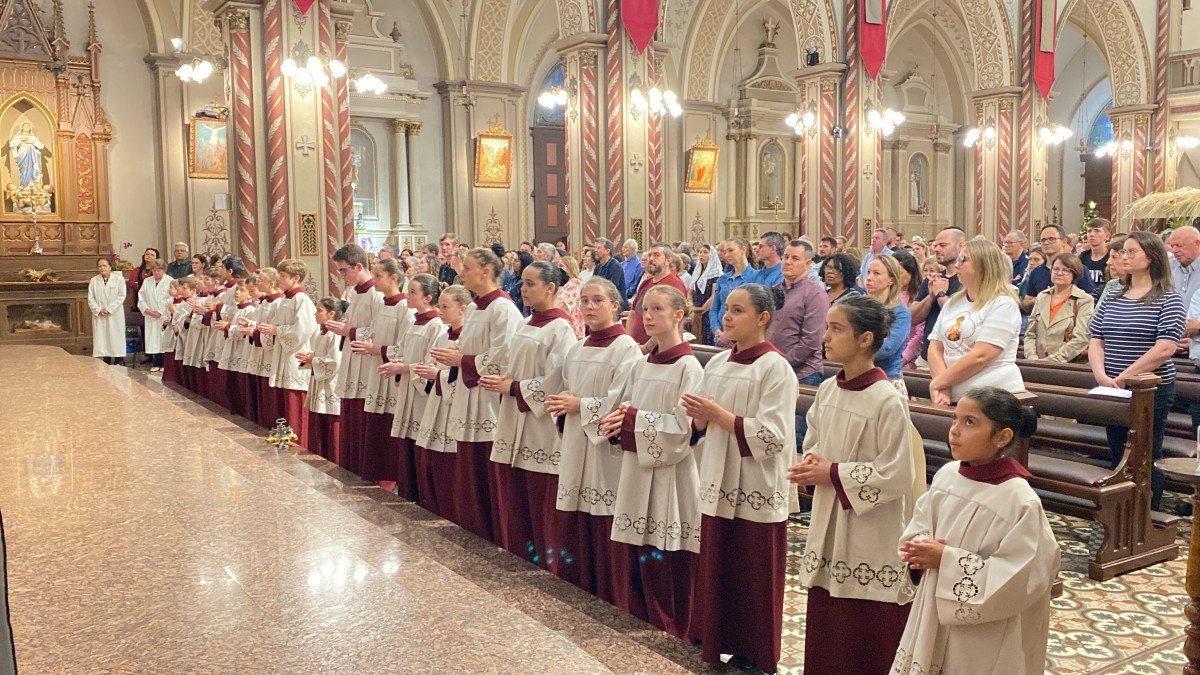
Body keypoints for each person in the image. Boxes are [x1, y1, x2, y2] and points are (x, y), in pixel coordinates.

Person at [789, 293, 916, 674]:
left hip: (870, 532)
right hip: (829, 519)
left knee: (863, 630)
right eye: (827, 327)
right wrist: (810, 464)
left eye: (836, 328)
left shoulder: (886, 400)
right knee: (829, 621)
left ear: (865, 339)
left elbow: (898, 474)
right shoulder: (828, 390)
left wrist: (831, 472)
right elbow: (813, 442)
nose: (825, 337)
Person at [894, 387, 1060, 675]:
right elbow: (920, 524)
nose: (955, 431)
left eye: (970, 422)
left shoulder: (1018, 500)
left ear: (1002, 437)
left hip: (983, 635)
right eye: (955, 419)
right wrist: (918, 549)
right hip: (933, 609)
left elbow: (1024, 576)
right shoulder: (948, 475)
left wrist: (946, 560)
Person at [683, 284, 797, 675]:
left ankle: (755, 653)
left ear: (763, 318)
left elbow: (774, 436)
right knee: (719, 563)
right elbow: (698, 424)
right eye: (726, 309)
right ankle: (714, 638)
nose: (727, 317)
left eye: (737, 310)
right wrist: (698, 419)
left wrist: (718, 417)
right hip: (717, 477)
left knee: (752, 571)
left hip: (755, 484)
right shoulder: (716, 363)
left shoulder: (775, 367)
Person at [600, 284, 703, 637]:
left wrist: (631, 420)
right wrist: (617, 421)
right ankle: (638, 617)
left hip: (671, 476)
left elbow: (684, 430)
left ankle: (672, 627)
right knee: (637, 552)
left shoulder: (689, 367)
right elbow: (626, 406)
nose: (648, 315)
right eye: (645, 309)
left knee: (666, 554)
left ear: (679, 314)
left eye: (657, 309)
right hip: (636, 468)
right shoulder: (642, 363)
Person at [550, 277, 642, 609]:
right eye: (584, 301)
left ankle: (610, 595)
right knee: (577, 517)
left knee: (604, 516)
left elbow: (623, 403)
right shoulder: (577, 348)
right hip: (576, 443)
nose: (589, 307)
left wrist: (581, 406)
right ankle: (578, 588)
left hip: (605, 451)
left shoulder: (626, 349)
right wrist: (563, 405)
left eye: (597, 300)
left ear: (615, 306)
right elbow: (563, 390)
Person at [483, 261, 577, 570]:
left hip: (540, 426)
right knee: (517, 493)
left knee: (540, 497)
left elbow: (556, 379)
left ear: (550, 288)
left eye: (530, 284)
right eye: (522, 283)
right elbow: (514, 363)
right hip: (515, 417)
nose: (523, 289)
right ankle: (520, 556)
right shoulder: (526, 323)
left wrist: (514, 387)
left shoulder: (561, 328)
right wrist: (505, 381)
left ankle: (546, 561)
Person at [1088, 231, 1185, 510]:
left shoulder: (1168, 298)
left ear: (1152, 257)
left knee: (1145, 452)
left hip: (1149, 388)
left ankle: (1146, 513)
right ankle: (1120, 510)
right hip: (1112, 386)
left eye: (1132, 252)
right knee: (1118, 450)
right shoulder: (1114, 295)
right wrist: (1101, 375)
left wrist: (1125, 376)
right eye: (1122, 252)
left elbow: (1164, 348)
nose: (1123, 257)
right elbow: (1096, 337)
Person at [437, 248, 524, 542]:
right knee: (469, 472)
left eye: (468, 268)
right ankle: (472, 530)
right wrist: (456, 354)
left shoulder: (504, 309)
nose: (462, 274)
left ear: (487, 271)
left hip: (489, 399)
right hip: (468, 394)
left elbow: (504, 356)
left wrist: (461, 360)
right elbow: (466, 345)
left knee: (486, 471)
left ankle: (493, 534)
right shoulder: (474, 308)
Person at [929, 240, 1024, 405]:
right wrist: (943, 388)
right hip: (953, 396)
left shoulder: (1003, 303)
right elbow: (935, 347)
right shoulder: (952, 303)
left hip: (993, 399)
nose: (956, 265)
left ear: (983, 265)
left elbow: (981, 356)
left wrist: (939, 382)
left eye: (963, 260)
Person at [381, 273, 445, 502]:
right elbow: (400, 349)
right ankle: (408, 493)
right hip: (408, 390)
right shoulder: (414, 321)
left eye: (413, 292)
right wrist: (398, 363)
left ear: (428, 298)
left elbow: (432, 363)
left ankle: (424, 497)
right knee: (406, 441)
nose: (408, 295)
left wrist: (406, 368)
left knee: (419, 441)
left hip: (421, 394)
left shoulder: (436, 325)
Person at [351, 258, 413, 488]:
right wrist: (370, 344)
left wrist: (376, 349)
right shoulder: (384, 304)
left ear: (393, 278)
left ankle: (392, 477)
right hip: (377, 372)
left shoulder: (404, 307)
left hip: (392, 376)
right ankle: (378, 473)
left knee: (390, 425)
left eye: (378, 276)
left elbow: (405, 348)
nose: (374, 280)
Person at [325, 244, 385, 473]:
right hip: (353, 361)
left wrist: (348, 332)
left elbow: (380, 332)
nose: (341, 276)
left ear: (359, 266)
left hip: (368, 364)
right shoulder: (355, 294)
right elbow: (354, 325)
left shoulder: (377, 295)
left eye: (343, 270)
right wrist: (344, 328)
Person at [412, 285, 472, 518]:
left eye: (446, 307)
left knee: (450, 464)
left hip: (455, 407)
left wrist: (438, 376)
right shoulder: (442, 334)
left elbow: (468, 375)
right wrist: (429, 372)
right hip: (436, 402)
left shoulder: (468, 337)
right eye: (440, 305)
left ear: (463, 309)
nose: (441, 311)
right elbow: (431, 361)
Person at [262, 259, 317, 448]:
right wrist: (272, 329)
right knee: (283, 399)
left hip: (295, 356)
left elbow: (304, 328)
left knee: (295, 401)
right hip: (283, 354)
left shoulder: (302, 300)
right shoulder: (286, 299)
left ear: (296, 278)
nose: (279, 279)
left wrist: (278, 331)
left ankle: (297, 440)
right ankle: (283, 435)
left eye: (283, 276)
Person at [910, 226, 966, 367]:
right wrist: (930, 297)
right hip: (927, 357)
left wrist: (941, 294)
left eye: (943, 245)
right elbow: (913, 317)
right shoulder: (932, 280)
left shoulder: (967, 281)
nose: (936, 249)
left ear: (961, 246)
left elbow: (959, 318)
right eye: (935, 245)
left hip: (955, 360)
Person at [1024, 253, 1095, 363]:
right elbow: (1030, 334)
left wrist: (1052, 360)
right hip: (1036, 363)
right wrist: (1032, 357)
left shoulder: (1084, 300)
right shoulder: (1042, 297)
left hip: (1067, 365)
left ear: (1074, 274)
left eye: (1066, 270)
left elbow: (1081, 339)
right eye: (1056, 269)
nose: (1059, 273)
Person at [298, 298, 345, 462]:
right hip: (320, 382)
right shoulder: (323, 333)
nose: (315, 313)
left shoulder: (335, 335)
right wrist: (311, 357)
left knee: (332, 427)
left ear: (331, 314)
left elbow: (335, 362)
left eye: (319, 310)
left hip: (330, 385)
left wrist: (313, 360)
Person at [864, 254, 913, 389]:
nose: (869, 278)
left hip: (887, 379)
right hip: (858, 376)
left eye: (877, 273)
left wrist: (853, 350)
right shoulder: (857, 307)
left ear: (891, 280)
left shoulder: (901, 313)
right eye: (868, 272)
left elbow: (887, 349)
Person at [627, 242, 688, 346]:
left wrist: (647, 347)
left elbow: (674, 323)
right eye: (650, 255)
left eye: (657, 255)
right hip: (637, 346)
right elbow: (633, 313)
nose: (651, 259)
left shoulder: (674, 284)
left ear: (668, 260)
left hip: (661, 347)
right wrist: (629, 341)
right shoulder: (646, 283)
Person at [1023, 225, 1094, 312]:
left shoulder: (1078, 269)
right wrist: (1040, 299)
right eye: (1043, 240)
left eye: (1051, 239)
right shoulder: (1037, 271)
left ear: (1063, 242)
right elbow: (1026, 302)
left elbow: (1088, 300)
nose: (1046, 243)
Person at [708, 238, 758, 346]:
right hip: (720, 336)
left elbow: (754, 311)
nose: (726, 255)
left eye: (731, 250)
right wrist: (718, 332)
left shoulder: (756, 277)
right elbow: (714, 309)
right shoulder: (723, 279)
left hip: (742, 338)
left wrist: (733, 336)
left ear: (743, 250)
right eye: (725, 251)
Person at [89, 257, 127, 365]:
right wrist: (98, 309)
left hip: (115, 313)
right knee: (103, 337)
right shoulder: (94, 281)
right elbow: (90, 298)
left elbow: (121, 295)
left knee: (115, 336)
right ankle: (106, 358)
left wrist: (110, 309)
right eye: (100, 266)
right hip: (100, 314)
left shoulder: (119, 280)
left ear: (110, 267)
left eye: (104, 266)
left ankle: (118, 359)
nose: (102, 268)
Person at [138, 260, 173, 371]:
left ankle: (164, 364)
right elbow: (141, 297)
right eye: (153, 270)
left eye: (158, 270)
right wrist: (147, 309)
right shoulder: (147, 281)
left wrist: (160, 311)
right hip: (150, 315)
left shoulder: (170, 281)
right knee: (153, 339)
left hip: (163, 315)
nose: (156, 272)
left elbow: (171, 297)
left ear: (164, 270)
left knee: (163, 339)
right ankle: (156, 363)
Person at [691, 244, 722, 345]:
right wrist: (690, 307)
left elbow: (714, 296)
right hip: (695, 311)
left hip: (707, 312)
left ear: (712, 255)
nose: (701, 255)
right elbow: (691, 291)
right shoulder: (697, 272)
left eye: (705, 252)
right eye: (700, 252)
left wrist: (700, 311)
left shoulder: (716, 273)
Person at [592, 238, 628, 311]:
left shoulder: (615, 266)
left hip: (616, 306)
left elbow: (611, 288)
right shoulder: (598, 267)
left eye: (599, 248)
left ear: (607, 251)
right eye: (595, 248)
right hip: (601, 302)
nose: (595, 250)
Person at [1079, 219, 1112, 299]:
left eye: (1097, 231)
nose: (1092, 234)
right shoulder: (1083, 257)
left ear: (1107, 236)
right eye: (1089, 231)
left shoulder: (1111, 257)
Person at [556, 256, 586, 338]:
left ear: (570, 268)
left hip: (572, 324)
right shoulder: (562, 284)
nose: (558, 269)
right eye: (558, 266)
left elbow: (562, 303)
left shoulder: (575, 283)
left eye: (561, 266)